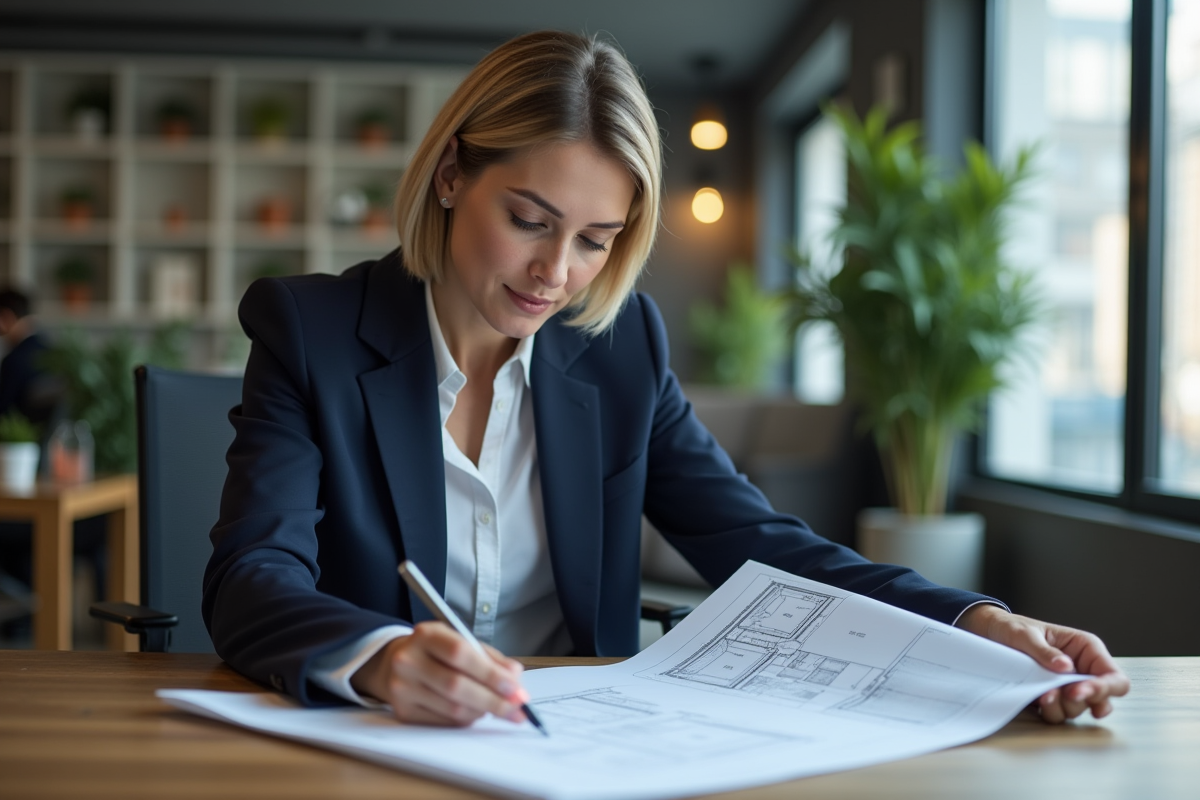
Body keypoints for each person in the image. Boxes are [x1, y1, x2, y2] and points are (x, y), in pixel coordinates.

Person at [203, 30, 1128, 730]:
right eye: (530, 220)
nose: (556, 273)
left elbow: (763, 545)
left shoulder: (618, 348)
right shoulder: (311, 330)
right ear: (451, 175)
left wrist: (979, 626)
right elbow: (252, 577)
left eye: (596, 242)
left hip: (580, 745)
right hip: (379, 744)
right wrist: (381, 659)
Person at [0, 287, 52, 429]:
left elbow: (5, 414)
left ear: (6, 316)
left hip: (17, 447)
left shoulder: (14, 360)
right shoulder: (53, 352)